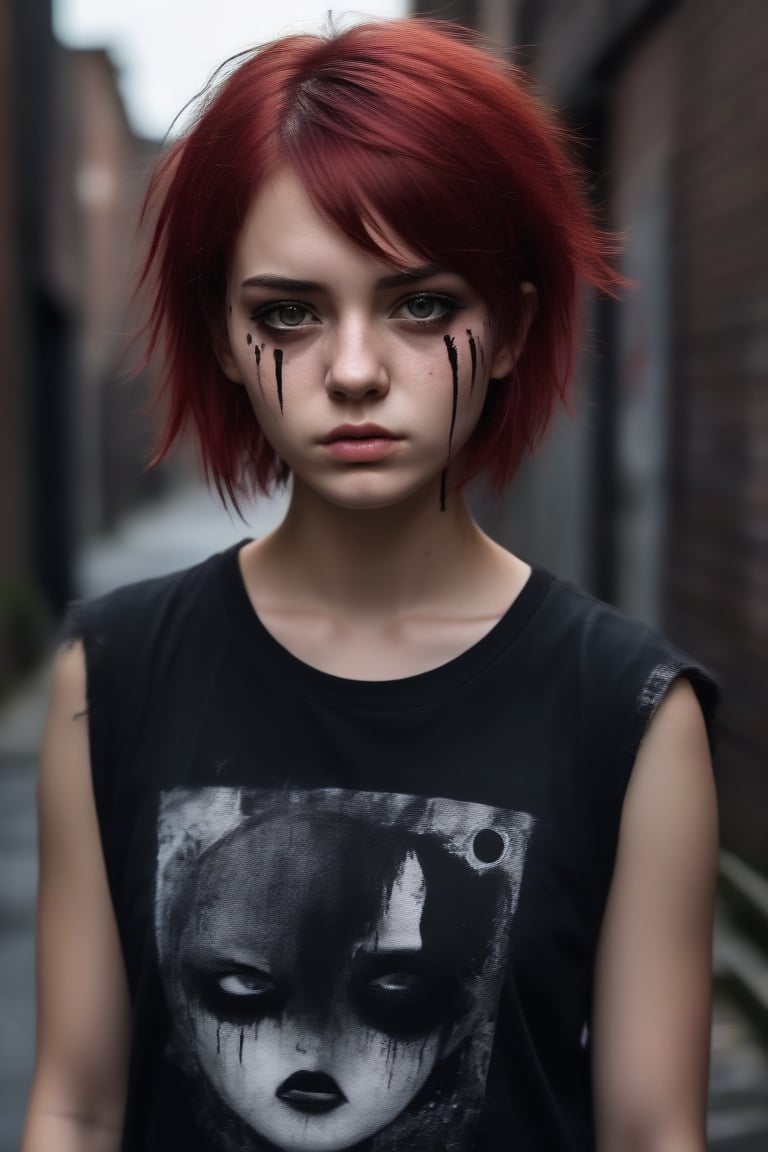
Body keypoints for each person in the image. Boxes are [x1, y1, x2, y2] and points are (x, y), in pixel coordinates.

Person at [21, 16, 719, 1152]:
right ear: (226, 339)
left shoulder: (629, 713)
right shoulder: (111, 679)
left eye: (422, 304)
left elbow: (654, 1133)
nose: (352, 371)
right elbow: (76, 1104)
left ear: (507, 329)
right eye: (288, 313)